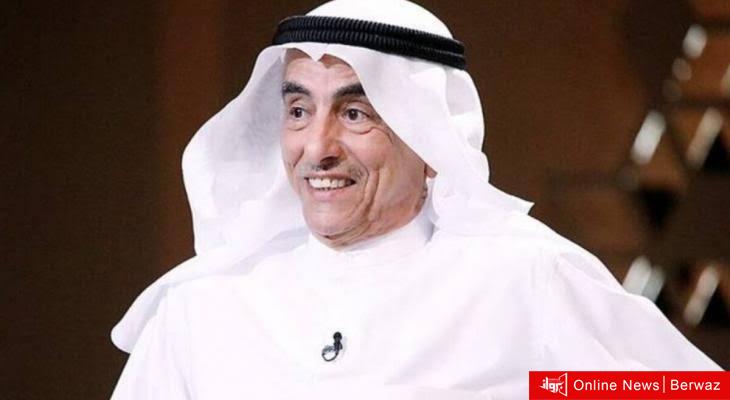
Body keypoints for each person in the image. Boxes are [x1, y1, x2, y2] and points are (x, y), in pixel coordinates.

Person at [110, 0, 721, 399]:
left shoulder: (520, 278)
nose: (317, 148)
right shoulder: (203, 307)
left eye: (355, 113)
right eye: (298, 110)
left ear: (430, 139)